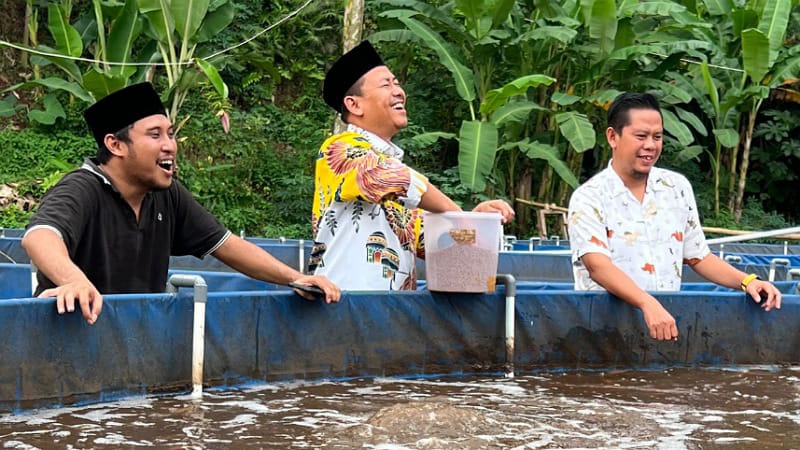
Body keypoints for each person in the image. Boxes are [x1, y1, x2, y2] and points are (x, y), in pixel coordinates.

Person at [22, 82, 340, 325]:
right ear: (115, 144)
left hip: (136, 338)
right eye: (155, 135)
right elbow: (39, 236)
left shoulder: (167, 194)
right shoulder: (83, 187)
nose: (170, 146)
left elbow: (227, 244)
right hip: (68, 340)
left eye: (171, 134)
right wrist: (74, 281)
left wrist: (295, 278)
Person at [567, 92, 781, 341]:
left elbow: (699, 256)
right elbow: (597, 266)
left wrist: (748, 282)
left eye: (657, 137)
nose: (650, 145)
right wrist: (647, 304)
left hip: (665, 328)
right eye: (641, 136)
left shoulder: (676, 188)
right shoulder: (589, 197)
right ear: (613, 137)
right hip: (603, 334)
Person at [311, 40, 515, 290]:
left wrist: (477, 221)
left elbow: (433, 242)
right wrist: (462, 217)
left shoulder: (399, 194)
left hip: (395, 319)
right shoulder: (339, 149)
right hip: (344, 312)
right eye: (386, 84)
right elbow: (392, 178)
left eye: (397, 83)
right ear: (354, 104)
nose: (398, 91)